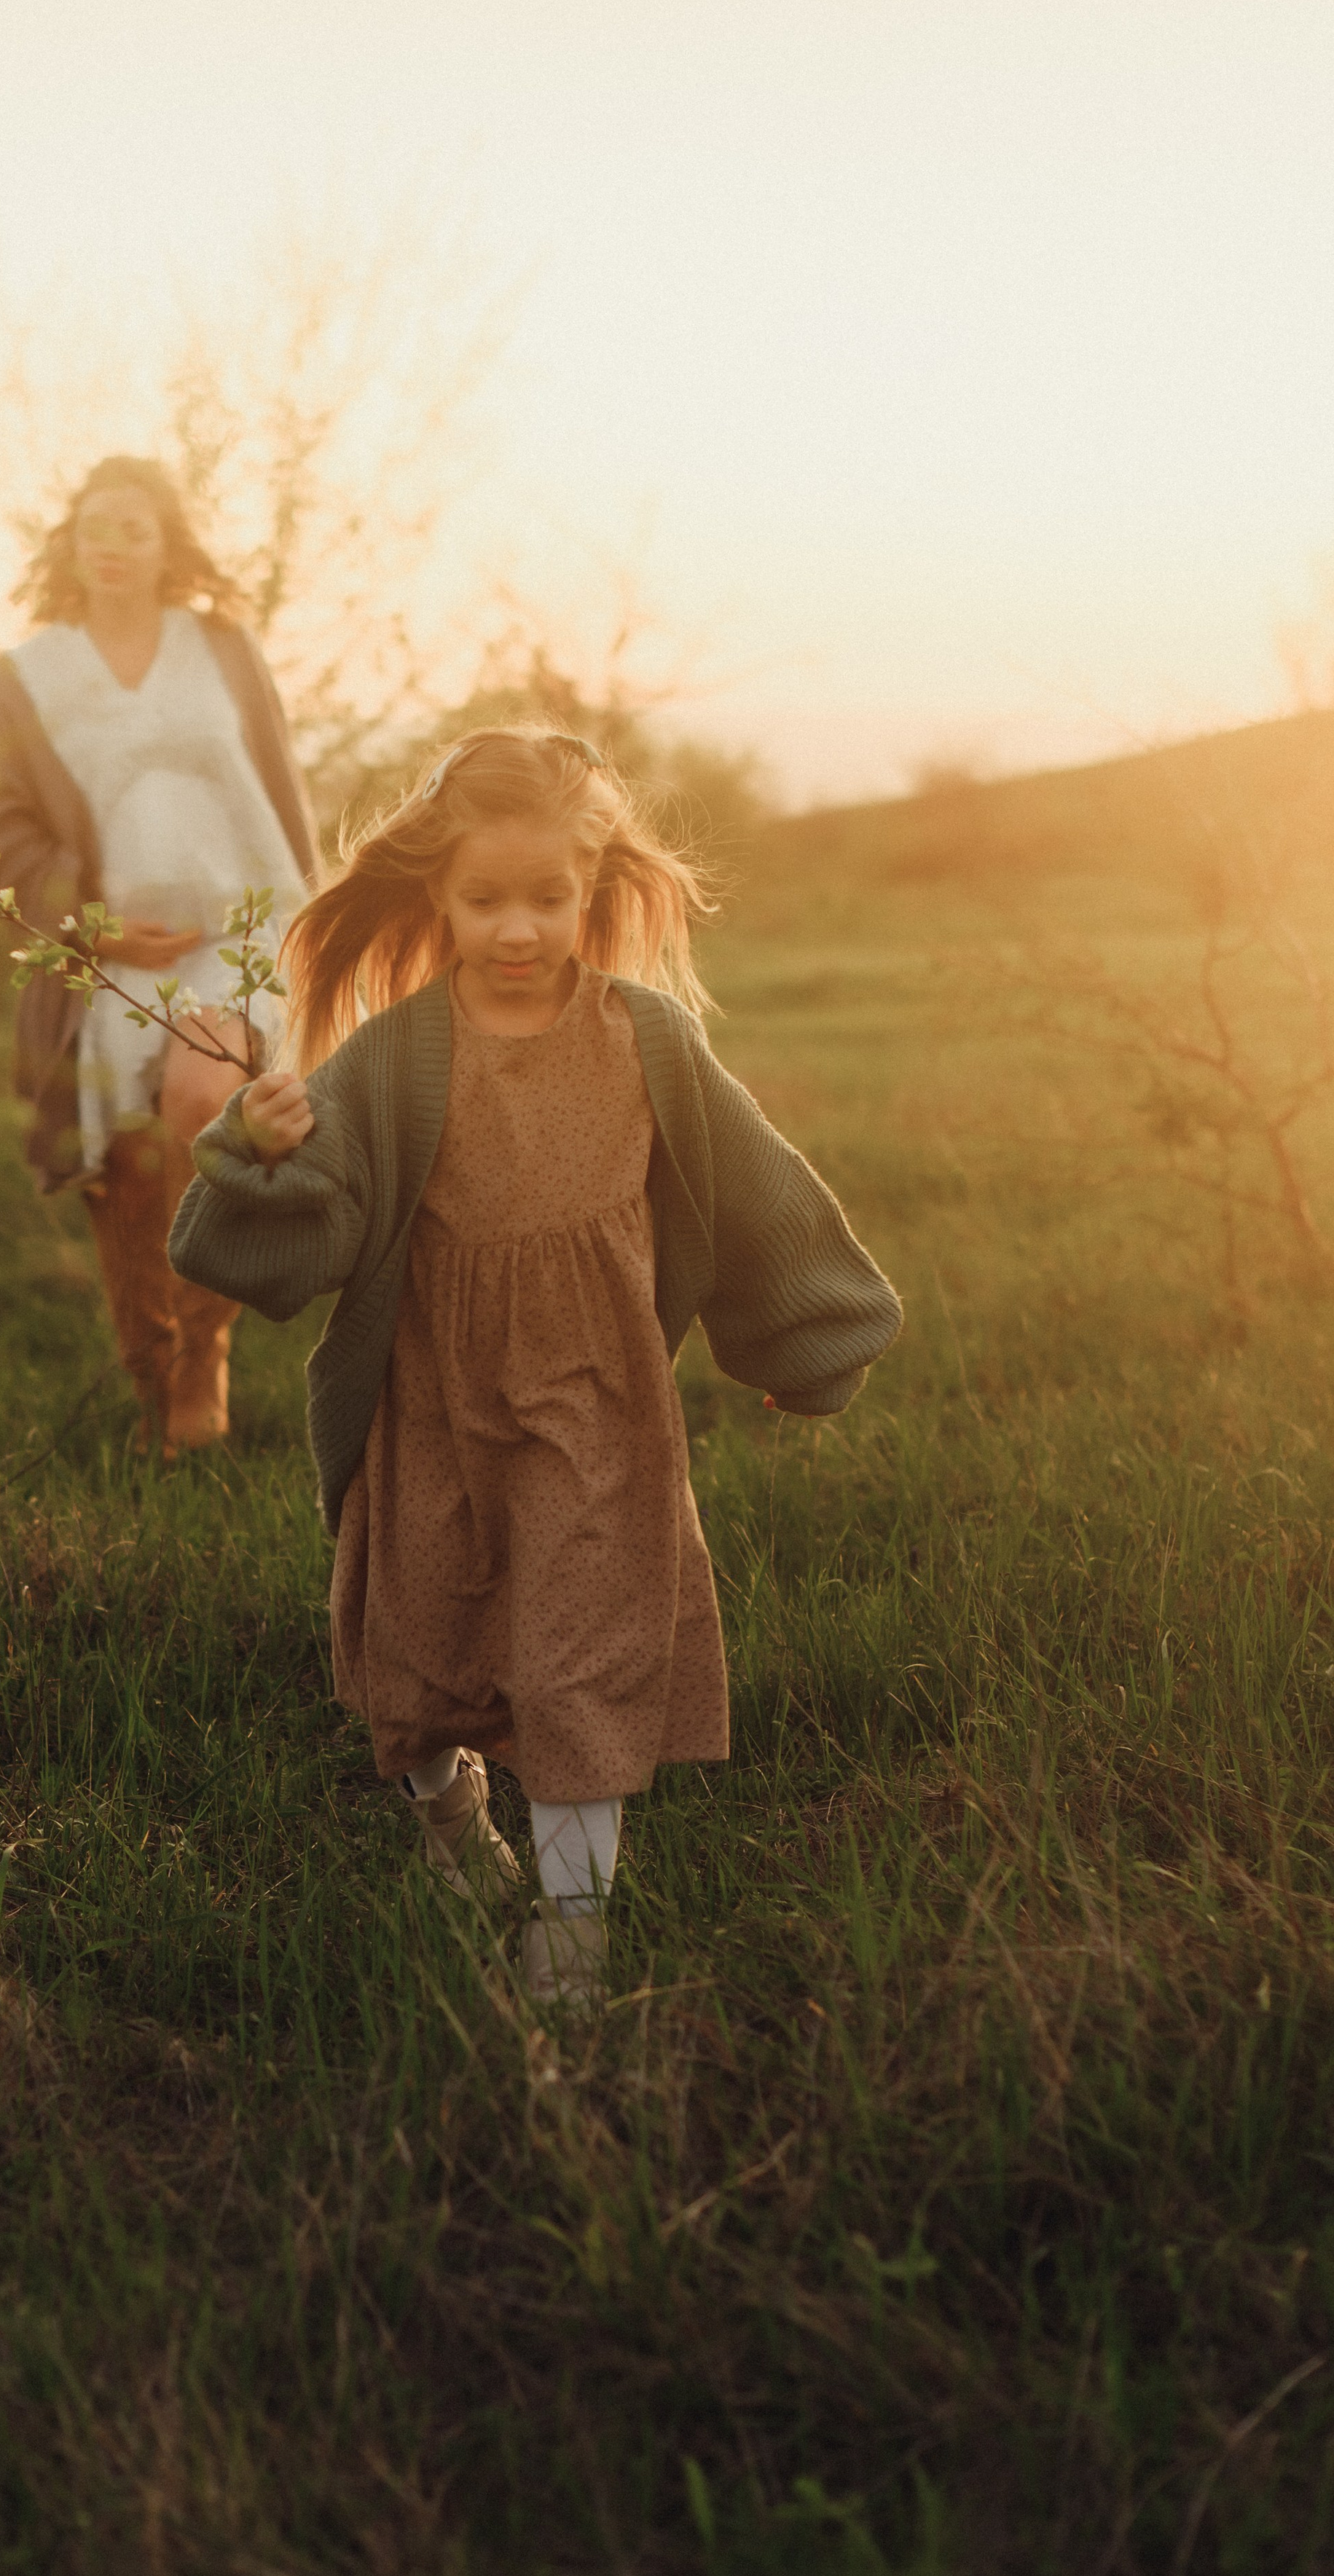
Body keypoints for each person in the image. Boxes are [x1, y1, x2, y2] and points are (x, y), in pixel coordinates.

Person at [167, 728, 902, 2004]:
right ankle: (453, 1819)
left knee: (584, 1664)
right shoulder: (398, 1056)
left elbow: (753, 1188)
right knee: (420, 1659)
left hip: (599, 1408)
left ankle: (573, 1932)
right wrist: (258, 1148)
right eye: (486, 900)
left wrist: (807, 1342)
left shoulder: (649, 1037)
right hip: (434, 1406)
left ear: (593, 891)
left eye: (549, 898)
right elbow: (309, 1237)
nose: (519, 927)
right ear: (439, 900)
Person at [0, 456, 318, 1452]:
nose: (112, 543)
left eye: (134, 526)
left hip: (235, 933)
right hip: (105, 951)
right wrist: (88, 927)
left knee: (207, 1107)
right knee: (122, 1161)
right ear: (71, 545)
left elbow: (281, 791)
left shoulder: (222, 649)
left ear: (169, 546)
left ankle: (204, 1346)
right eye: (95, 526)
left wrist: (314, 928)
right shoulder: (30, 675)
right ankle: (150, 1367)